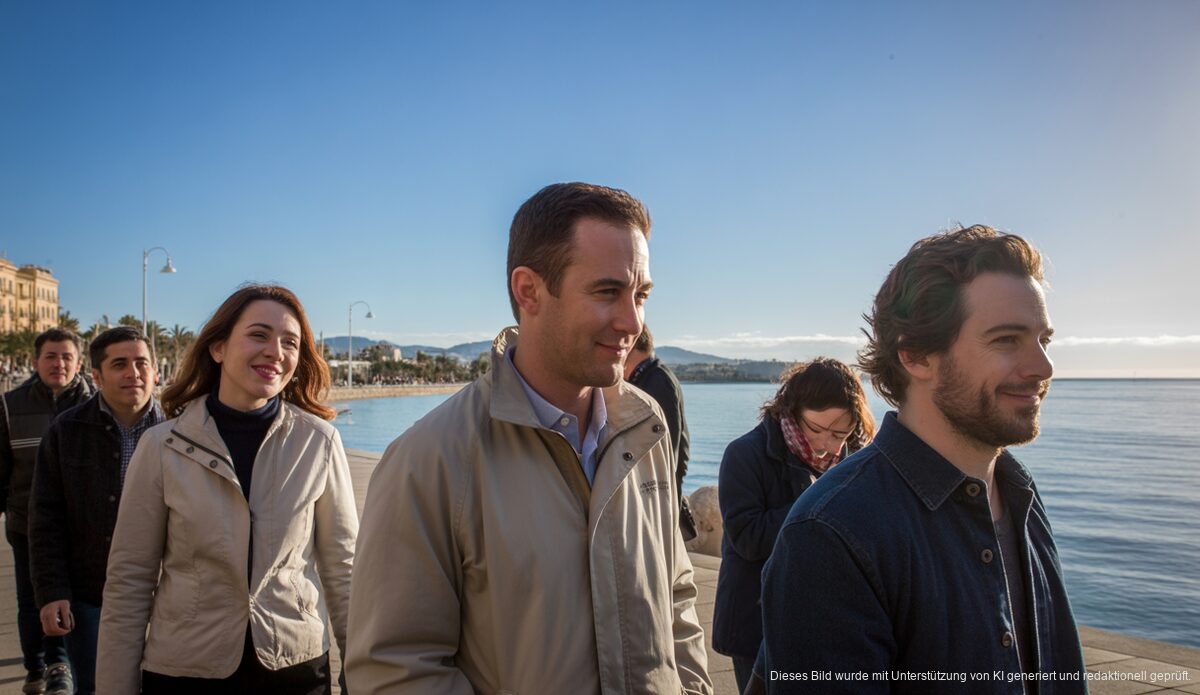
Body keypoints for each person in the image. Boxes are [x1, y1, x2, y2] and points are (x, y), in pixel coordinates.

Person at [346, 182, 712, 694]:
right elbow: (393, 669)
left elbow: (676, 596)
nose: (633, 322)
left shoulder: (644, 423)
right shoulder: (429, 459)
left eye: (642, 295)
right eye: (608, 291)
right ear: (529, 291)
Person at [759, 226, 1086, 693]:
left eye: (1043, 340)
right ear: (915, 355)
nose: (1043, 367)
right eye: (1007, 340)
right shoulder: (832, 533)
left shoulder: (1019, 494)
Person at [96, 285, 358, 694]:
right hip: (186, 669)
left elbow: (344, 570)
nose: (276, 351)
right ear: (218, 348)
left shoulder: (319, 443)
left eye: (290, 342)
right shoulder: (162, 446)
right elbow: (129, 579)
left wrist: (360, 677)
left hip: (296, 670)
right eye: (259, 335)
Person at [714, 358, 874, 693]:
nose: (826, 446)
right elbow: (748, 538)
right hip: (755, 621)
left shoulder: (850, 457)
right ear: (792, 409)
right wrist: (816, 501)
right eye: (816, 429)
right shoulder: (744, 454)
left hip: (824, 619)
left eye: (840, 434)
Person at [28, 327, 163, 695]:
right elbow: (45, 518)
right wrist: (51, 590)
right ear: (97, 376)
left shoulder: (180, 430)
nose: (133, 373)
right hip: (91, 596)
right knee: (96, 686)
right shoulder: (66, 430)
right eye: (120, 364)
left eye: (141, 363)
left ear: (155, 372)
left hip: (168, 598)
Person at [0, 328, 92, 695]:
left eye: (67, 357)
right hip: (25, 524)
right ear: (36, 362)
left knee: (74, 597)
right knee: (30, 598)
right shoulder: (9, 405)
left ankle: (62, 664)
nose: (59, 364)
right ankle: (36, 668)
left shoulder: (96, 404)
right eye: (51, 357)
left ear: (80, 363)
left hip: (81, 526)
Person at [623, 325, 696, 540]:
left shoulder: (656, 380)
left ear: (631, 345)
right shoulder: (650, 376)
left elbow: (666, 445)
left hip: (656, 493)